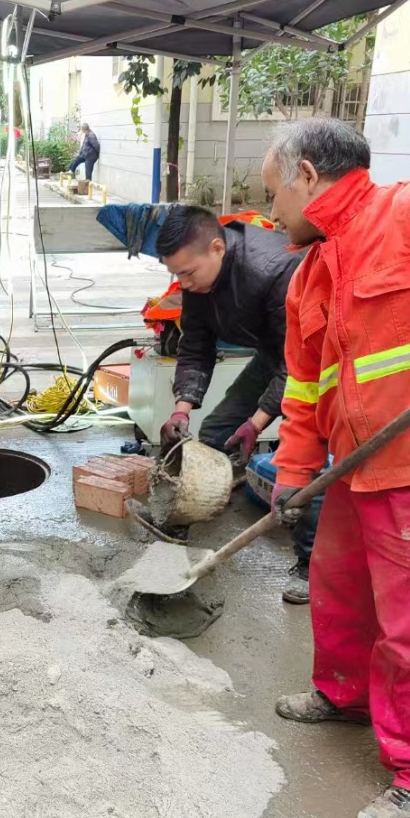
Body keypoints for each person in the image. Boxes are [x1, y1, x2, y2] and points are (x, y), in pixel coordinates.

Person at [263, 116, 410, 818]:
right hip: (349, 470)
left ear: (305, 176)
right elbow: (303, 386)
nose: (271, 215)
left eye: (273, 195)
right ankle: (343, 694)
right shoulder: (312, 273)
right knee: (339, 594)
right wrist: (293, 471)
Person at [156, 205, 315, 602]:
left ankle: (311, 565)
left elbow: (295, 364)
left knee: (303, 462)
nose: (182, 282)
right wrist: (181, 409)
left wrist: (258, 422)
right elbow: (195, 346)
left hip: (318, 355)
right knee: (215, 433)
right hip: (274, 352)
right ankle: (197, 509)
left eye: (187, 273)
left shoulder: (275, 270)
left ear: (216, 248)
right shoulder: (198, 281)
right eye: (176, 274)